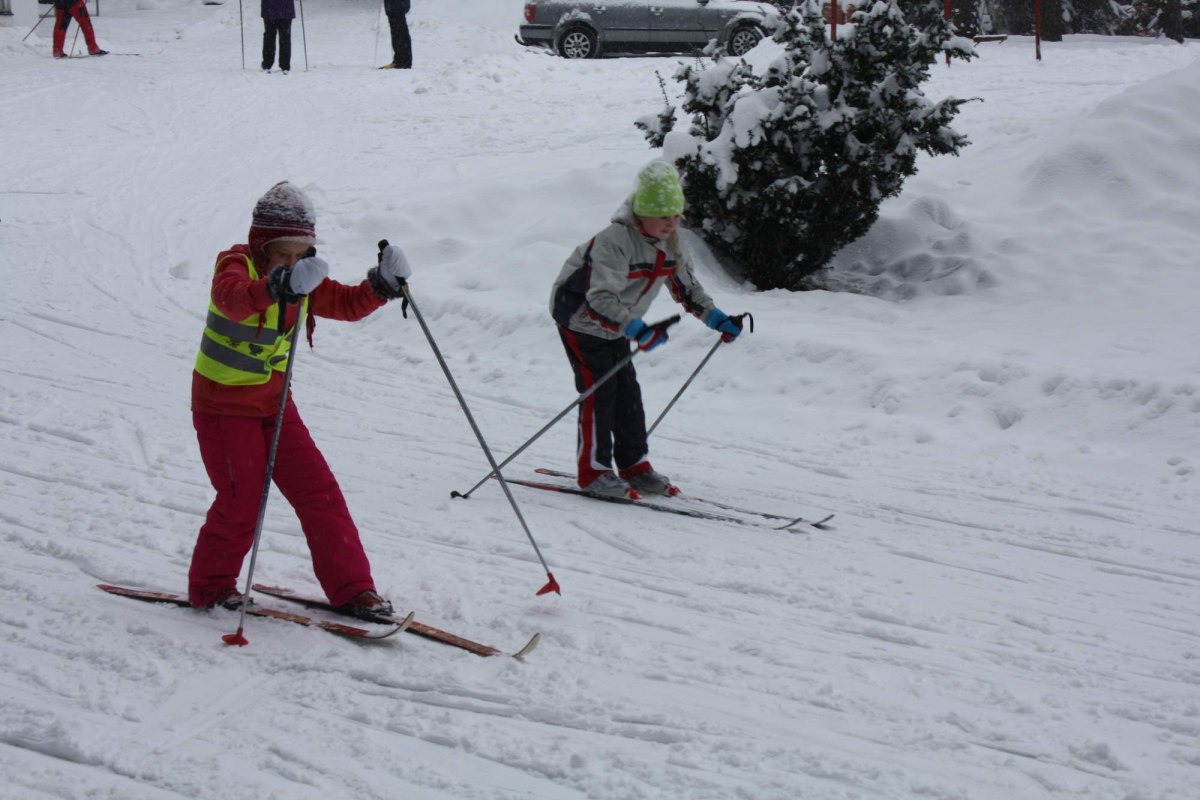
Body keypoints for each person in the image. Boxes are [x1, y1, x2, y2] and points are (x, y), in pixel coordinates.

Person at [188, 181, 412, 617]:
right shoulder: (235, 266)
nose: (292, 263)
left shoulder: (304, 275)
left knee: (320, 492)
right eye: (282, 255)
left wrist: (382, 285)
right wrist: (277, 286)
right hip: (223, 408)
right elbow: (232, 299)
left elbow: (345, 303)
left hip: (274, 406)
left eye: (300, 254)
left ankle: (353, 589)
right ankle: (211, 587)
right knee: (241, 499)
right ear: (261, 247)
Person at [548, 161, 744, 499]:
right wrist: (636, 329)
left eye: (676, 215)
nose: (671, 223)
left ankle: (634, 466)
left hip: (618, 322)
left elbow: (686, 287)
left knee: (628, 394)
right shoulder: (615, 242)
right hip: (579, 316)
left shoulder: (671, 244)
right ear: (641, 214)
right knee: (599, 392)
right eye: (662, 215)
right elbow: (599, 299)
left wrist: (716, 318)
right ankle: (594, 472)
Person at [261, 0, 294, 73]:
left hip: (269, 8)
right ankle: (285, 65)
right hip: (286, 8)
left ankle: (267, 63)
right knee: (284, 37)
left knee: (270, 36)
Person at [383, 0, 411, 69]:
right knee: (395, 34)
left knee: (401, 33)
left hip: (398, 6)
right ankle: (398, 60)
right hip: (391, 7)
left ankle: (404, 61)